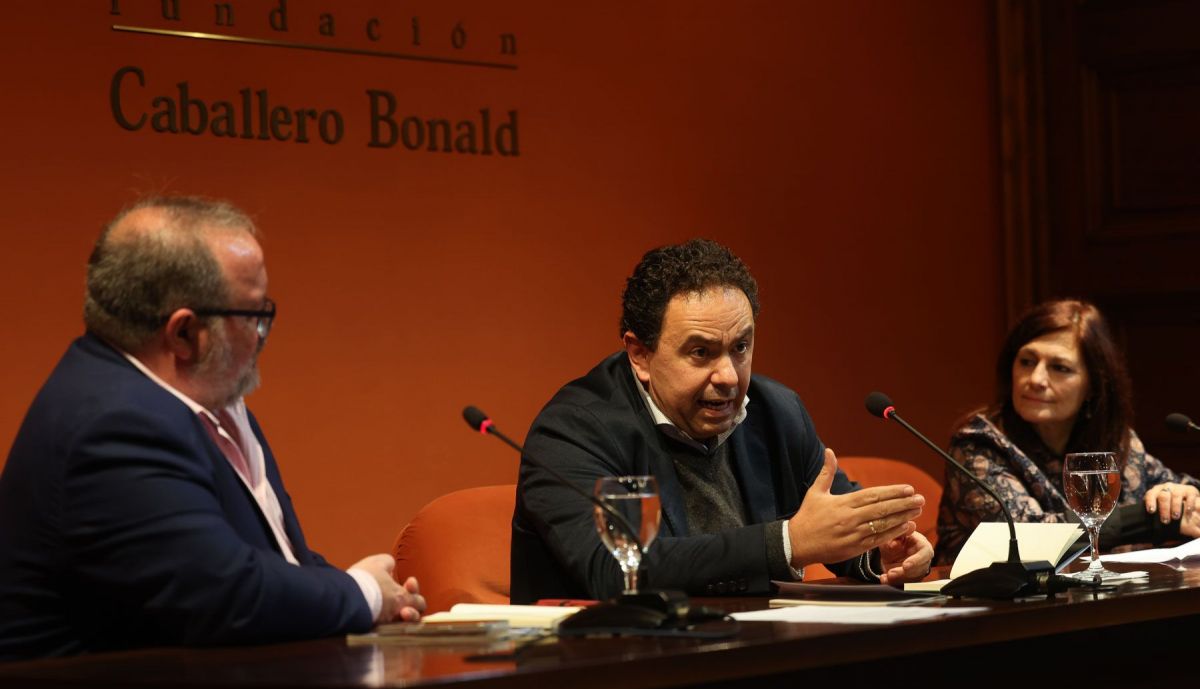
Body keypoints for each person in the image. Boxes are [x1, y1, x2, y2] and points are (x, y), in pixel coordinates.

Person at [0, 196, 425, 660]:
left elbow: (272, 562)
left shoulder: (206, 401)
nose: (263, 336)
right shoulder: (113, 424)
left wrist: (362, 594)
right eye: (255, 315)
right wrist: (363, 594)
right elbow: (226, 594)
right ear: (184, 333)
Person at [510, 239, 933, 603]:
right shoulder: (573, 431)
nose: (729, 376)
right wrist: (785, 543)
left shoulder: (775, 411)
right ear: (639, 354)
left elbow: (829, 525)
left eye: (741, 347)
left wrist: (880, 552)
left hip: (750, 653)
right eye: (701, 353)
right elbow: (618, 570)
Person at [935, 299, 1200, 564]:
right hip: (992, 604)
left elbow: (1186, 498)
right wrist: (1150, 520)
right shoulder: (977, 445)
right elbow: (1027, 536)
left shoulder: (1116, 442)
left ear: (1093, 386)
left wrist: (1177, 496)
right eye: (1027, 361)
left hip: (1110, 602)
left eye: (1059, 368)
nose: (1036, 379)